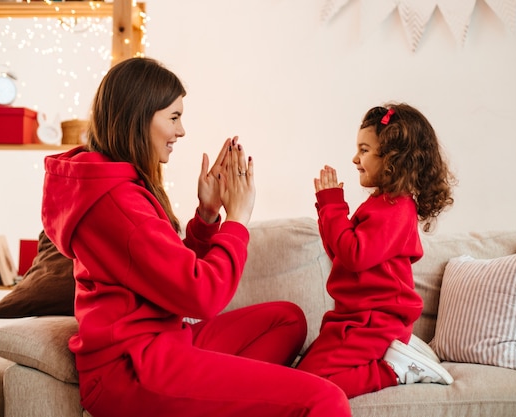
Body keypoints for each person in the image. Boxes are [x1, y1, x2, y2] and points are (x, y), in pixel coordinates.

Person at [41, 57, 351, 417]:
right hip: (133, 371)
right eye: (173, 117)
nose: (182, 131)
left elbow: (167, 277)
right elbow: (201, 296)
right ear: (138, 117)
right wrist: (237, 218)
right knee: (326, 399)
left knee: (287, 320)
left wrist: (206, 216)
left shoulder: (118, 186)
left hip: (164, 343)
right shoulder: (117, 202)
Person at [296, 103, 457, 398]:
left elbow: (355, 255)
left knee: (309, 385)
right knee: (302, 374)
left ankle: (393, 369)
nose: (356, 158)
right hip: (355, 319)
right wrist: (327, 210)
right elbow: (341, 255)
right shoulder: (381, 204)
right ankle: (392, 358)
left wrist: (333, 208)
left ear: (394, 159)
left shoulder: (397, 208)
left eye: (365, 150)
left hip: (375, 322)